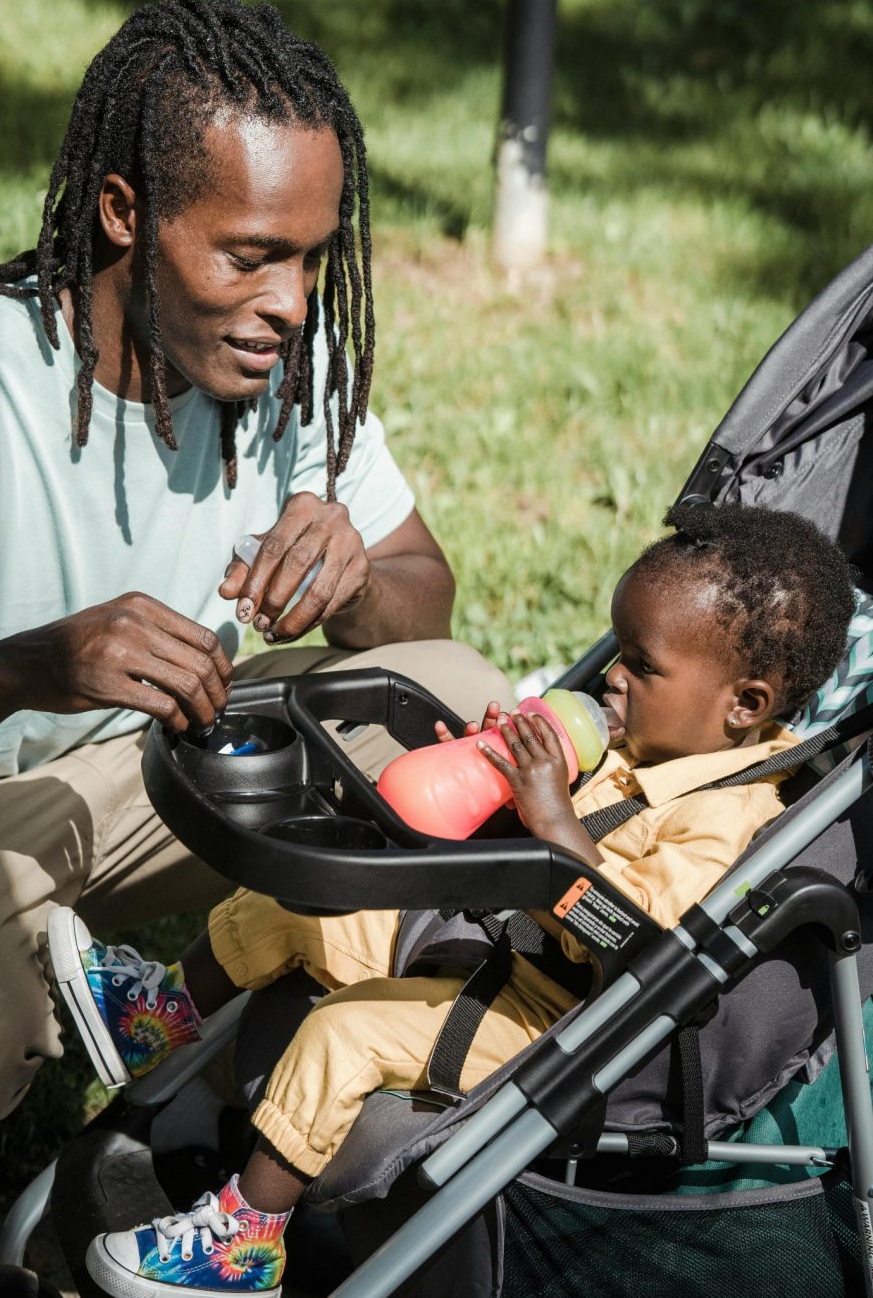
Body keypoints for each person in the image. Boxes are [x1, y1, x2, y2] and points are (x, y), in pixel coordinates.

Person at [0, 0, 516, 1153]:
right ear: (125, 212)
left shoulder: (280, 351)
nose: (289, 301)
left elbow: (420, 591)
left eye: (312, 259)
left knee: (461, 703)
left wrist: (357, 580)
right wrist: (16, 672)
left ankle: (176, 997)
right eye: (250, 254)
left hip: (161, 773)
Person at [47, 501, 854, 1298]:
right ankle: (157, 1014)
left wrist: (551, 818)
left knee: (344, 1034)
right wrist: (486, 768)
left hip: (559, 1022)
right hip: (496, 945)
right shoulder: (647, 738)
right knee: (298, 904)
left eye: (641, 666)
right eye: (617, 647)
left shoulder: (729, 815)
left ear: (744, 705)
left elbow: (629, 937)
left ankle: (242, 1244)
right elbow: (507, 845)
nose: (611, 675)